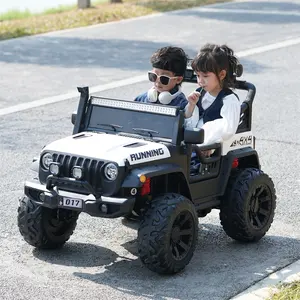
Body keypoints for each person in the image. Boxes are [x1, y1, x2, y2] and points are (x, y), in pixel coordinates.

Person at [185, 43, 242, 157]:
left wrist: (208, 143)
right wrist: (191, 106)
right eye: (197, 76)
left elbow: (227, 130)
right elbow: (189, 124)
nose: (200, 81)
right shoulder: (199, 93)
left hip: (210, 151)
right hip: (192, 145)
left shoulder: (228, 100)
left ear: (221, 74)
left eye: (205, 76)